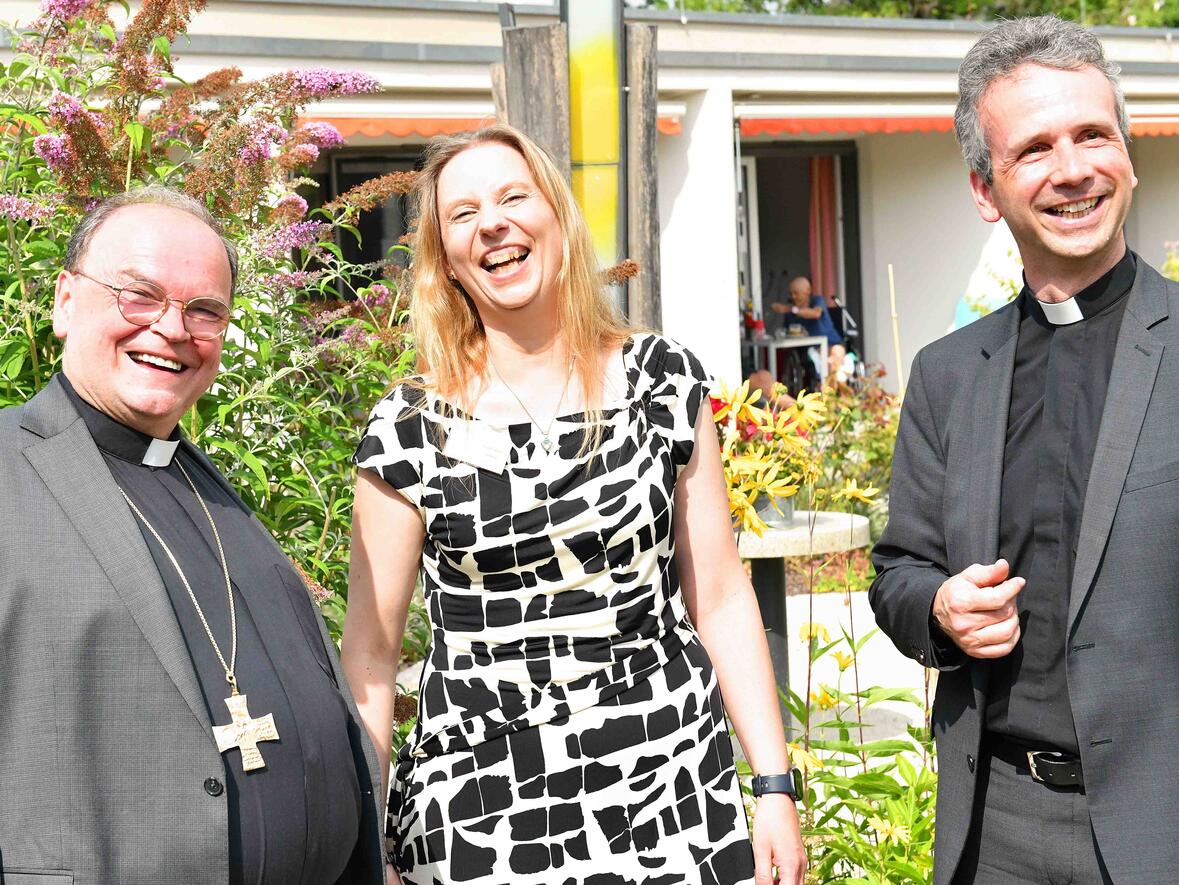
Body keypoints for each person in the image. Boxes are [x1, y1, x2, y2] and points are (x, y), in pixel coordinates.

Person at [341, 124, 806, 885]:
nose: (491, 222)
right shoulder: (407, 427)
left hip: (672, 795)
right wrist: (365, 840)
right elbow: (368, 655)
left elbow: (720, 595)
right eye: (462, 214)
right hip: (478, 816)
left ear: (557, 218)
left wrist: (774, 786)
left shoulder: (661, 380)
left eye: (513, 196)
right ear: (446, 259)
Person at [0, 186, 385, 884]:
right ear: (63, 300)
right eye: (139, 295)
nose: (174, 329)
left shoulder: (203, 484)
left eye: (204, 310)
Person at [871, 16, 1179, 885]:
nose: (1072, 169)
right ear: (984, 188)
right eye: (1034, 149)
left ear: (1126, 151)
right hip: (993, 825)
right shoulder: (945, 374)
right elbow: (897, 569)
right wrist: (937, 608)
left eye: (1092, 134)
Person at [770, 276, 845, 378]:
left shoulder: (817, 301)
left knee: (835, 355)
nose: (793, 297)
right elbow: (786, 333)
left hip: (832, 344)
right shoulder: (790, 312)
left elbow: (816, 314)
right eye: (791, 293)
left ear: (808, 291)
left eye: (796, 293)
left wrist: (789, 309)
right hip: (809, 350)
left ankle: (832, 389)